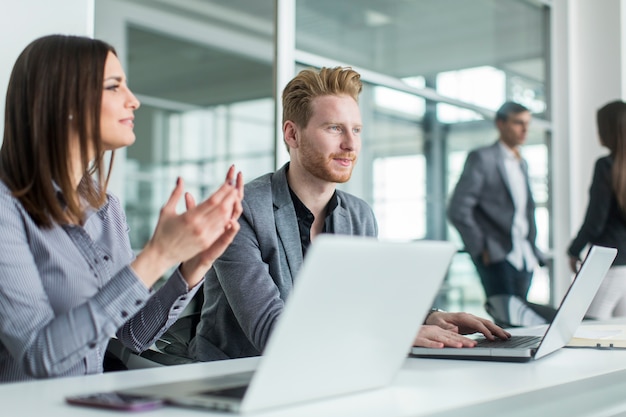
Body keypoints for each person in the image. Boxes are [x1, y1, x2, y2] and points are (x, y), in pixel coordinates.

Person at [190, 66, 509, 362]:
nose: (350, 144)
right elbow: (272, 334)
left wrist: (427, 318)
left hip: (328, 365)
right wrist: (397, 335)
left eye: (356, 130)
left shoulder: (359, 215)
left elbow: (365, 306)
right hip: (237, 374)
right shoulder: (240, 210)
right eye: (334, 128)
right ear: (292, 134)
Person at [0, 34, 244, 382]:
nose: (134, 101)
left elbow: (131, 333)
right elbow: (41, 357)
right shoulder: (6, 207)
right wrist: (158, 254)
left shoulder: (105, 206)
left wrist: (192, 265)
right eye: (114, 87)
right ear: (65, 100)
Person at [448, 101, 545, 300]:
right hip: (497, 255)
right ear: (501, 124)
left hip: (525, 256)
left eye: (528, 123)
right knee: (504, 324)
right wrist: (481, 247)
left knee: (523, 321)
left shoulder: (522, 163)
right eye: (518, 123)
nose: (525, 129)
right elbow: (458, 209)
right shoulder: (483, 158)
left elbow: (524, 210)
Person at [568, 100, 626, 319]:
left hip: (608, 266)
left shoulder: (606, 165)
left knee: (586, 329)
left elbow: (595, 220)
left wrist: (574, 250)